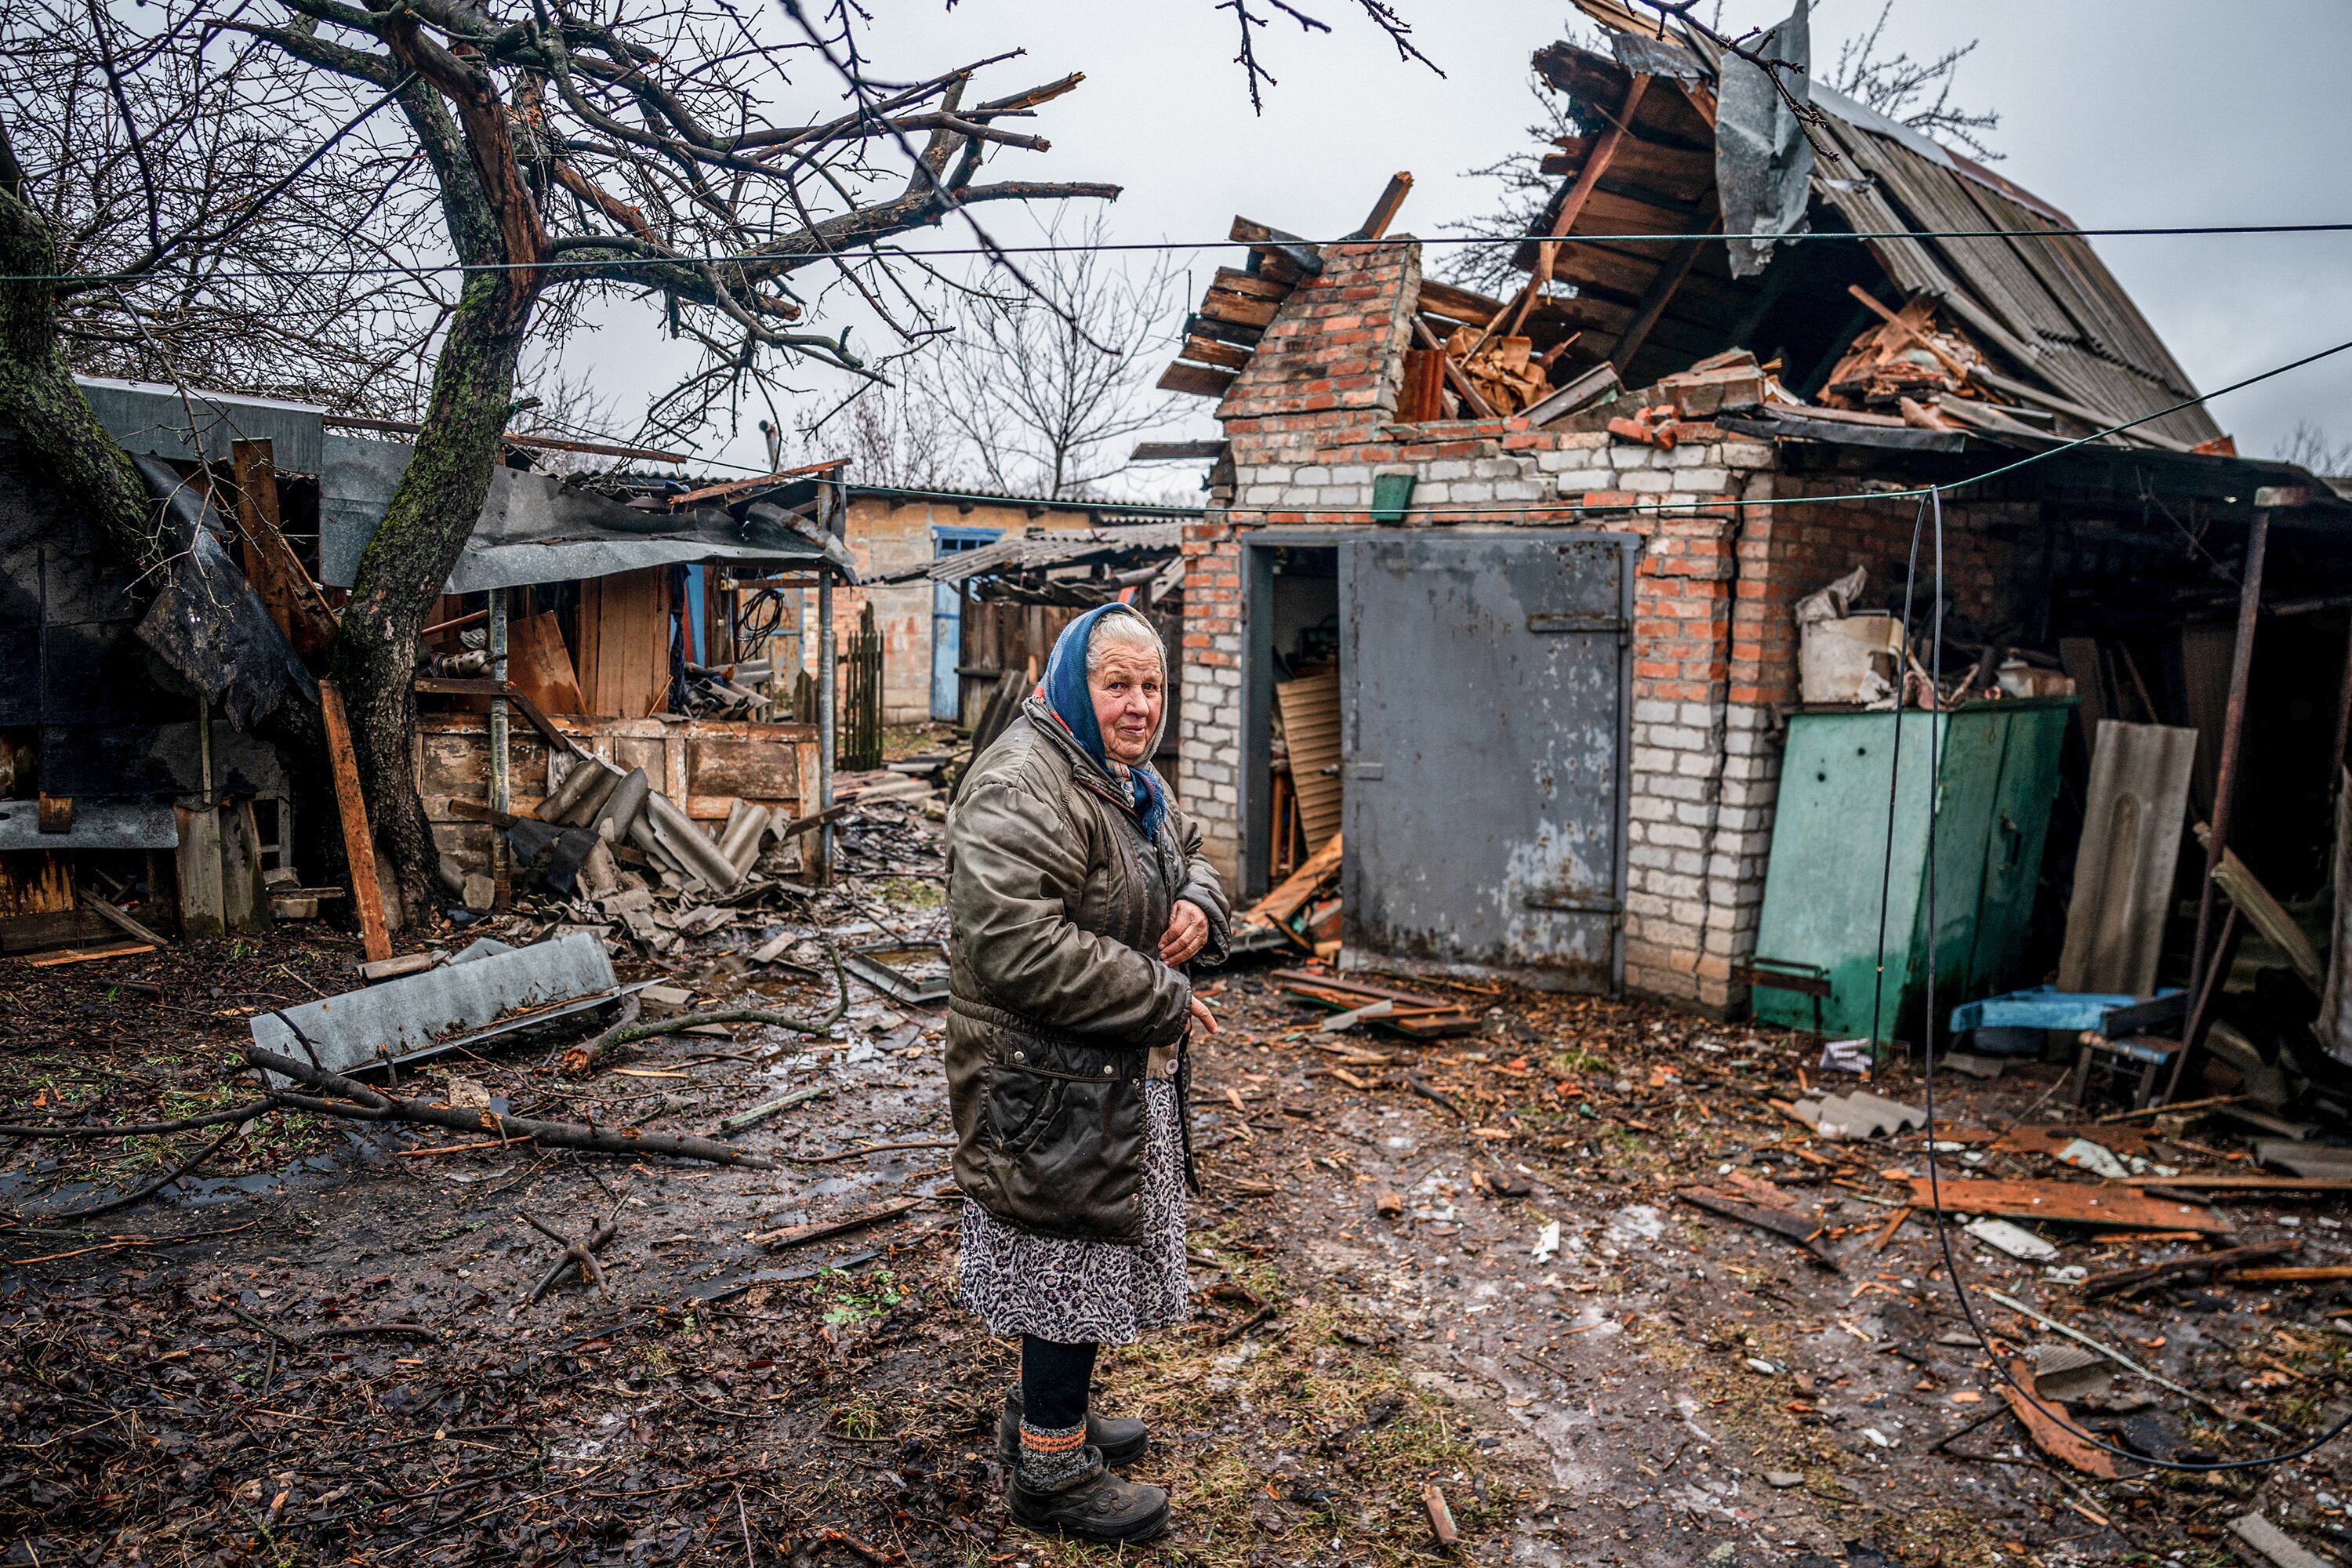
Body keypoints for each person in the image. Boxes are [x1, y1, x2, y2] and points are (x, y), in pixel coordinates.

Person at [945, 602, 1229, 1544]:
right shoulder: (1024, 782)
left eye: (1152, 685)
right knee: (1065, 1260)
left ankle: (1047, 1411)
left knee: (1089, 1256)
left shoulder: (1126, 776)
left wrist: (1198, 903)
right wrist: (1162, 994)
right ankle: (1051, 1469)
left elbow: (1190, 857)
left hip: (1095, 1075)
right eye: (1119, 683)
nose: (1140, 703)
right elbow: (1014, 944)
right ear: (1075, 681)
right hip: (1042, 1080)